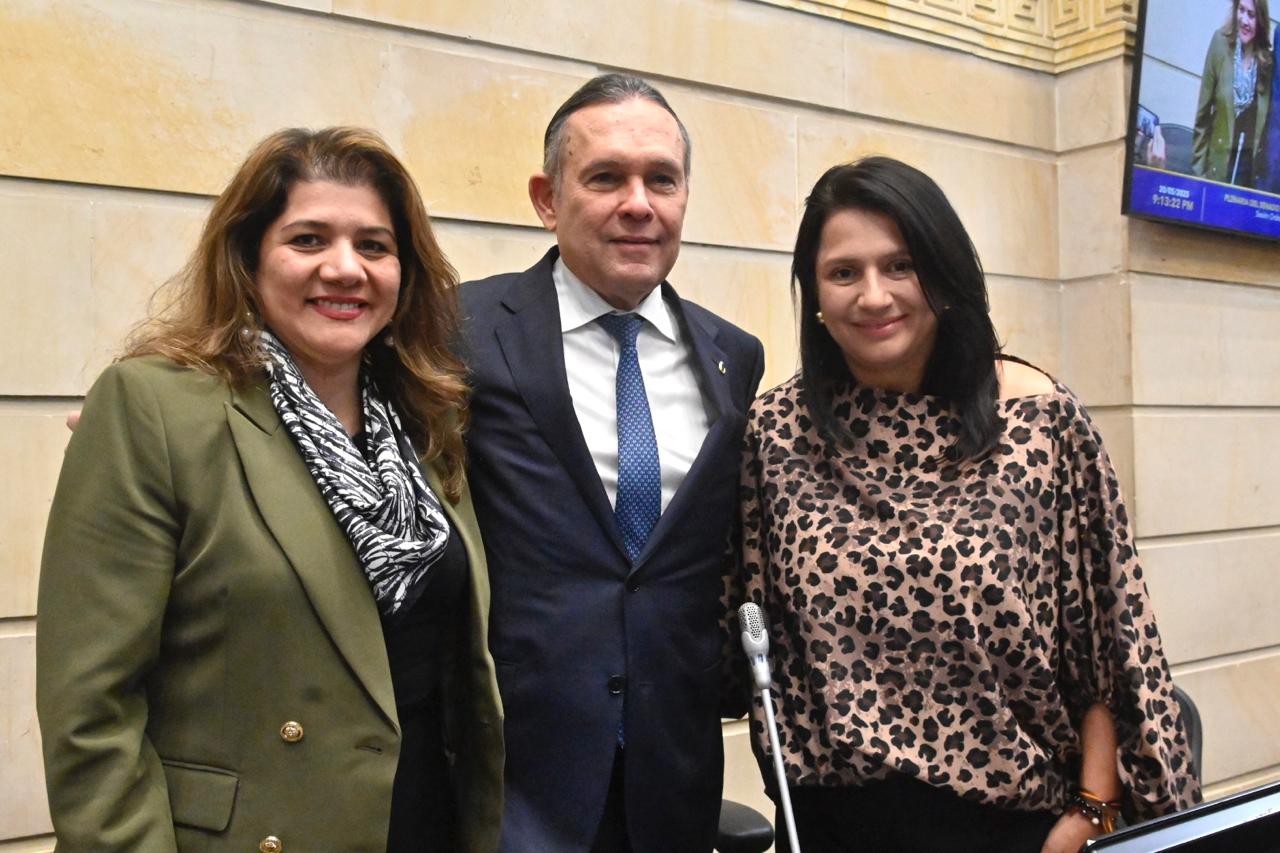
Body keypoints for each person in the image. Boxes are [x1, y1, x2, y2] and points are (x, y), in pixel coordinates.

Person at [37, 127, 503, 852]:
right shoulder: (158, 408)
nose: (345, 268)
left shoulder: (426, 419)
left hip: (423, 821)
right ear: (249, 258)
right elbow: (89, 711)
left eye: (374, 246)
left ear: (405, 272)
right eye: (308, 239)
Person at [737, 158, 1200, 853]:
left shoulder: (1041, 423)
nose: (873, 295)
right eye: (844, 272)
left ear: (946, 276)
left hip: (1019, 826)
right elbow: (743, 640)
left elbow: (1104, 647)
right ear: (814, 293)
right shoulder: (773, 435)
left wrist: (1093, 813)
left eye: (901, 265)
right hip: (835, 827)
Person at [458, 74, 765, 852]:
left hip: (673, 782)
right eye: (606, 178)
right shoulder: (459, 329)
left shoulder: (734, 356)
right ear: (547, 197)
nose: (639, 203)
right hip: (514, 783)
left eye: (661, 178)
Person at [1192, 0, 1273, 184]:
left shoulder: (1267, 63)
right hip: (1216, 173)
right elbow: (1202, 118)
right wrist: (1199, 177)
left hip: (1248, 179)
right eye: (1241, 10)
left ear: (1260, 21)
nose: (1244, 20)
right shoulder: (1220, 44)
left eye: (1251, 15)